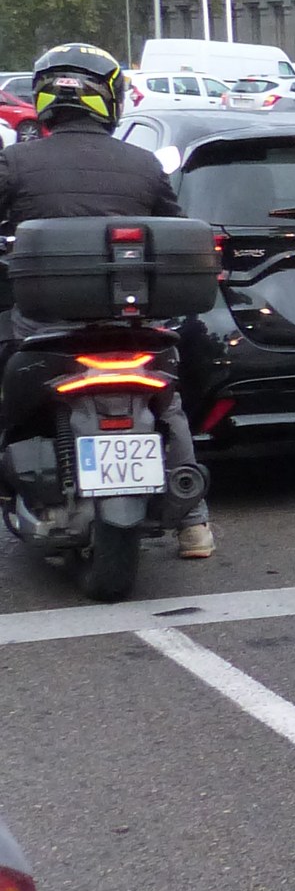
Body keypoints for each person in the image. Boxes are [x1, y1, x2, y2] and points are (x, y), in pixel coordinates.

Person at [0, 44, 212, 558]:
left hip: (43, 322)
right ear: (110, 99)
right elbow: (172, 228)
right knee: (170, 400)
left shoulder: (14, 162)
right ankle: (195, 524)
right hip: (133, 322)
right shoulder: (142, 163)